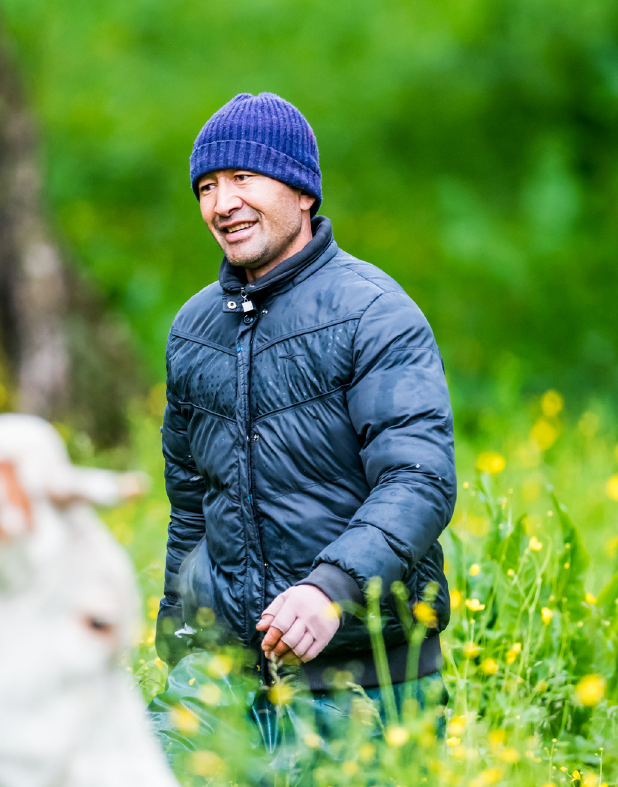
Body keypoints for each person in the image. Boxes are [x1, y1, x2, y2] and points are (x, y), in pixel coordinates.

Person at [147, 92, 457, 781]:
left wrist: (329, 589)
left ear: (302, 191)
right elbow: (190, 505)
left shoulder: (375, 312)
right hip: (221, 681)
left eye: (242, 177)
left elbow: (419, 480)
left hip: (364, 682)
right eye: (207, 186)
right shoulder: (194, 329)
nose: (222, 203)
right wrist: (179, 637)